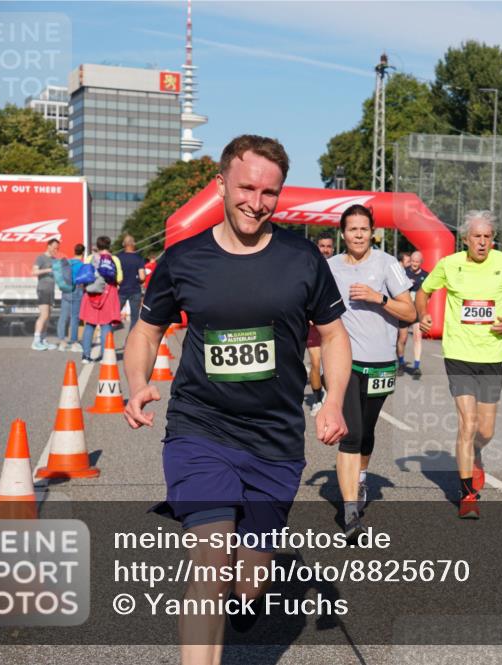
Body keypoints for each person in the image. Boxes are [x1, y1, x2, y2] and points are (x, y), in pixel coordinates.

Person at [122, 134, 351, 664]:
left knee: (248, 581)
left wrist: (334, 399)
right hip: (200, 428)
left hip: (275, 441)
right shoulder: (183, 259)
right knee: (210, 559)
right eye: (246, 187)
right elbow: (145, 331)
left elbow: (335, 336)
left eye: (269, 192)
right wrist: (137, 384)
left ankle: (247, 595)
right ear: (222, 184)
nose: (256, 201)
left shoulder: (303, 260)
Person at [416, 210, 502, 519]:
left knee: (486, 430)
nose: (482, 242)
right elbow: (423, 292)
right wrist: (422, 314)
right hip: (459, 354)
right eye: (476, 237)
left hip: (492, 355)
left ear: (493, 240)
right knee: (467, 424)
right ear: (465, 239)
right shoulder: (449, 265)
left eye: (487, 237)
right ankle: (467, 496)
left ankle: (477, 452)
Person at [328, 205, 414, 538]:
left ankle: (360, 479)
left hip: (380, 362)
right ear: (343, 233)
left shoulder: (387, 264)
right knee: (350, 433)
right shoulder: (330, 267)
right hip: (345, 362)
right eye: (353, 229)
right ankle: (350, 513)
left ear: (373, 232)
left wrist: (379, 298)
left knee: (366, 430)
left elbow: (409, 311)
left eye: (365, 229)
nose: (359, 235)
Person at [79, 236, 122, 363]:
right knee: (106, 325)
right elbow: (119, 278)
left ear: (97, 246)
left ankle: (86, 356)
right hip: (108, 294)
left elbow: (84, 275)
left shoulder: (90, 258)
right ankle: (105, 356)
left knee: (90, 325)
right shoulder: (114, 259)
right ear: (109, 245)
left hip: (91, 294)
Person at [307, 232, 335, 416]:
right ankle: (317, 400)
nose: (325, 249)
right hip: (312, 323)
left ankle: (331, 396)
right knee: (316, 363)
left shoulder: (339, 266)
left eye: (328, 246)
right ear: (317, 246)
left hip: (333, 324)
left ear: (333, 248)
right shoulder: (309, 266)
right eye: (322, 246)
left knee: (333, 365)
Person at [397, 250, 429, 380]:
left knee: (417, 337)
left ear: (421, 263)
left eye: (417, 262)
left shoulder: (425, 275)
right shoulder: (404, 272)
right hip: (404, 310)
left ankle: (416, 366)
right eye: (413, 261)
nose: (414, 264)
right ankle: (400, 363)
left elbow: (428, 294)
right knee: (402, 338)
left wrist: (424, 309)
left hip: (417, 311)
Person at [31, 237, 61, 350]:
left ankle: (43, 340)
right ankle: (36, 341)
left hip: (50, 290)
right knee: (43, 315)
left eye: (57, 248)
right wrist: (48, 270)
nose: (55, 250)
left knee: (48, 317)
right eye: (54, 248)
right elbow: (34, 271)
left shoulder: (55, 260)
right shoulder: (41, 258)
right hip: (43, 289)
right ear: (48, 246)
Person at [57, 243, 86, 353]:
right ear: (83, 252)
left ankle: (62, 342)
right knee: (75, 318)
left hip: (66, 291)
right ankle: (74, 342)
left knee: (63, 316)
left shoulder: (67, 262)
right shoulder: (82, 265)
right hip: (77, 291)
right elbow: (84, 280)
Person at [117, 234, 148, 330]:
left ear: (124, 244)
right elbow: (142, 277)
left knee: (113, 315)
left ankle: (108, 338)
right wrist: (138, 279)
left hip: (120, 290)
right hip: (135, 290)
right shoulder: (139, 258)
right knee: (134, 318)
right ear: (133, 244)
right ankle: (129, 342)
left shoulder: (118, 258)